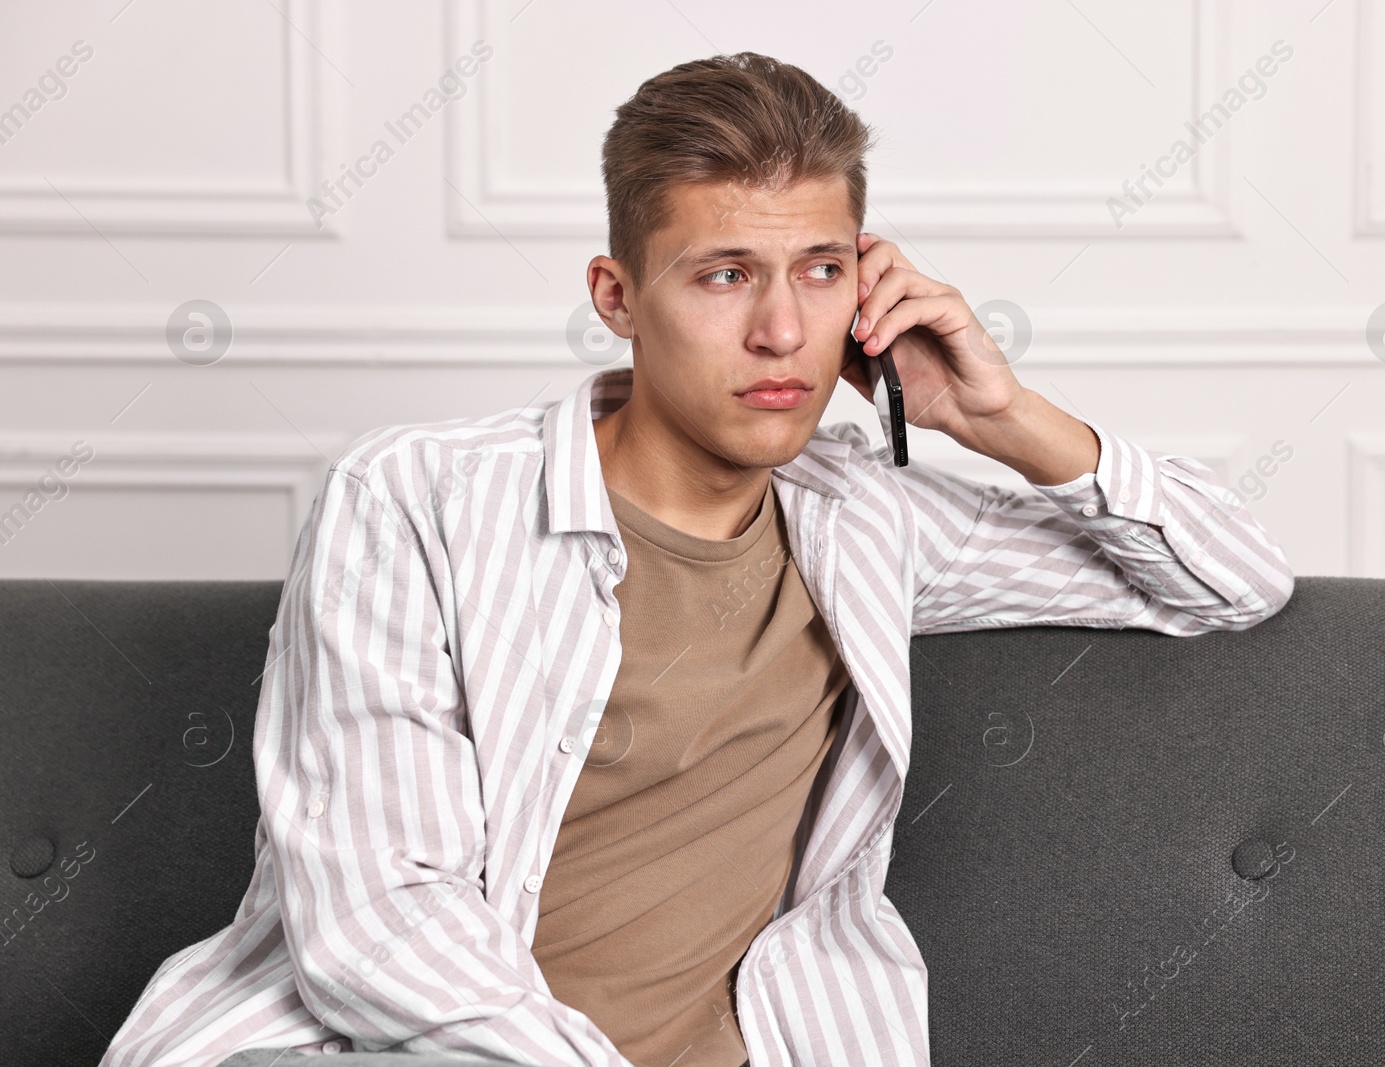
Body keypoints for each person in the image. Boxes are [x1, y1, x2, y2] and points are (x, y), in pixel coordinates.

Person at [99, 51, 1294, 1067]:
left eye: (820, 272)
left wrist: (1001, 415)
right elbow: (379, 921)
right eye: (725, 274)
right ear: (617, 295)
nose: (781, 330)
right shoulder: (417, 499)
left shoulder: (867, 524)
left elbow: (1232, 578)